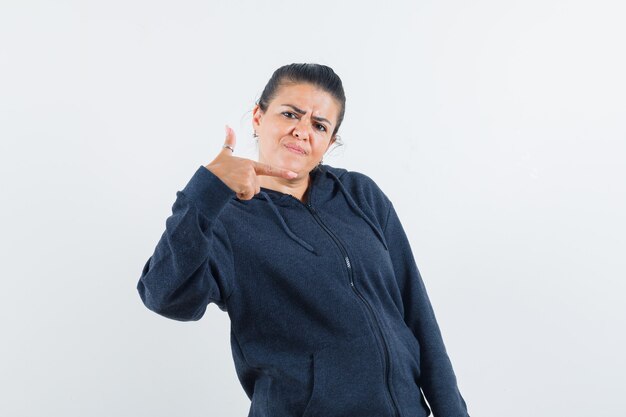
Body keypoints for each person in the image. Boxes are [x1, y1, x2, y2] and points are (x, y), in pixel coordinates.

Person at [136, 63, 471, 417]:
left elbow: (417, 313)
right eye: (290, 114)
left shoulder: (361, 195)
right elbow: (163, 296)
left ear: (329, 141)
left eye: (319, 125)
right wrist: (206, 189)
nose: (302, 131)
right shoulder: (225, 219)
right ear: (257, 118)